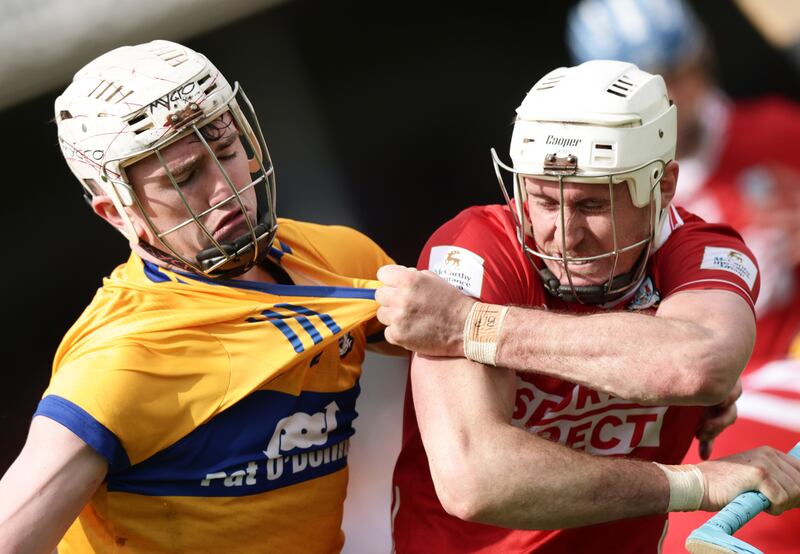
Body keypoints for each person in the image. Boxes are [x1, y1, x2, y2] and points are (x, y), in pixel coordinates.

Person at [376, 59, 800, 553]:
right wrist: (693, 485)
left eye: (591, 206)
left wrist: (473, 324)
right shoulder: (470, 249)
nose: (563, 234)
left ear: (662, 187)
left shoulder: (705, 251)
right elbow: (474, 480)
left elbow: (698, 366)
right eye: (543, 201)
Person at [0, 40, 397, 553]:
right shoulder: (122, 362)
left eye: (226, 150)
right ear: (118, 214)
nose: (224, 189)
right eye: (184, 178)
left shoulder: (341, 258)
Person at [567, 1, 800, 551]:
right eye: (656, 84)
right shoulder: (614, 205)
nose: (678, 93)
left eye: (683, 68)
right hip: (705, 425)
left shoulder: (779, 132)